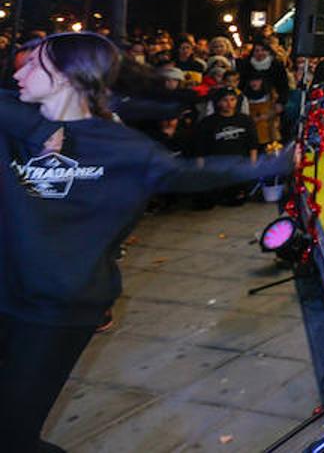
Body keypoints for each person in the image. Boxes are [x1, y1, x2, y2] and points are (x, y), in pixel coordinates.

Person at [0, 32, 293, 452]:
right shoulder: (13, 119)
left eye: (33, 64)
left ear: (67, 76)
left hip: (58, 310)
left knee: (12, 435)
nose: (20, 70)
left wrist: (276, 162)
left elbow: (195, 172)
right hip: (6, 293)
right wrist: (45, 126)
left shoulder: (120, 147)